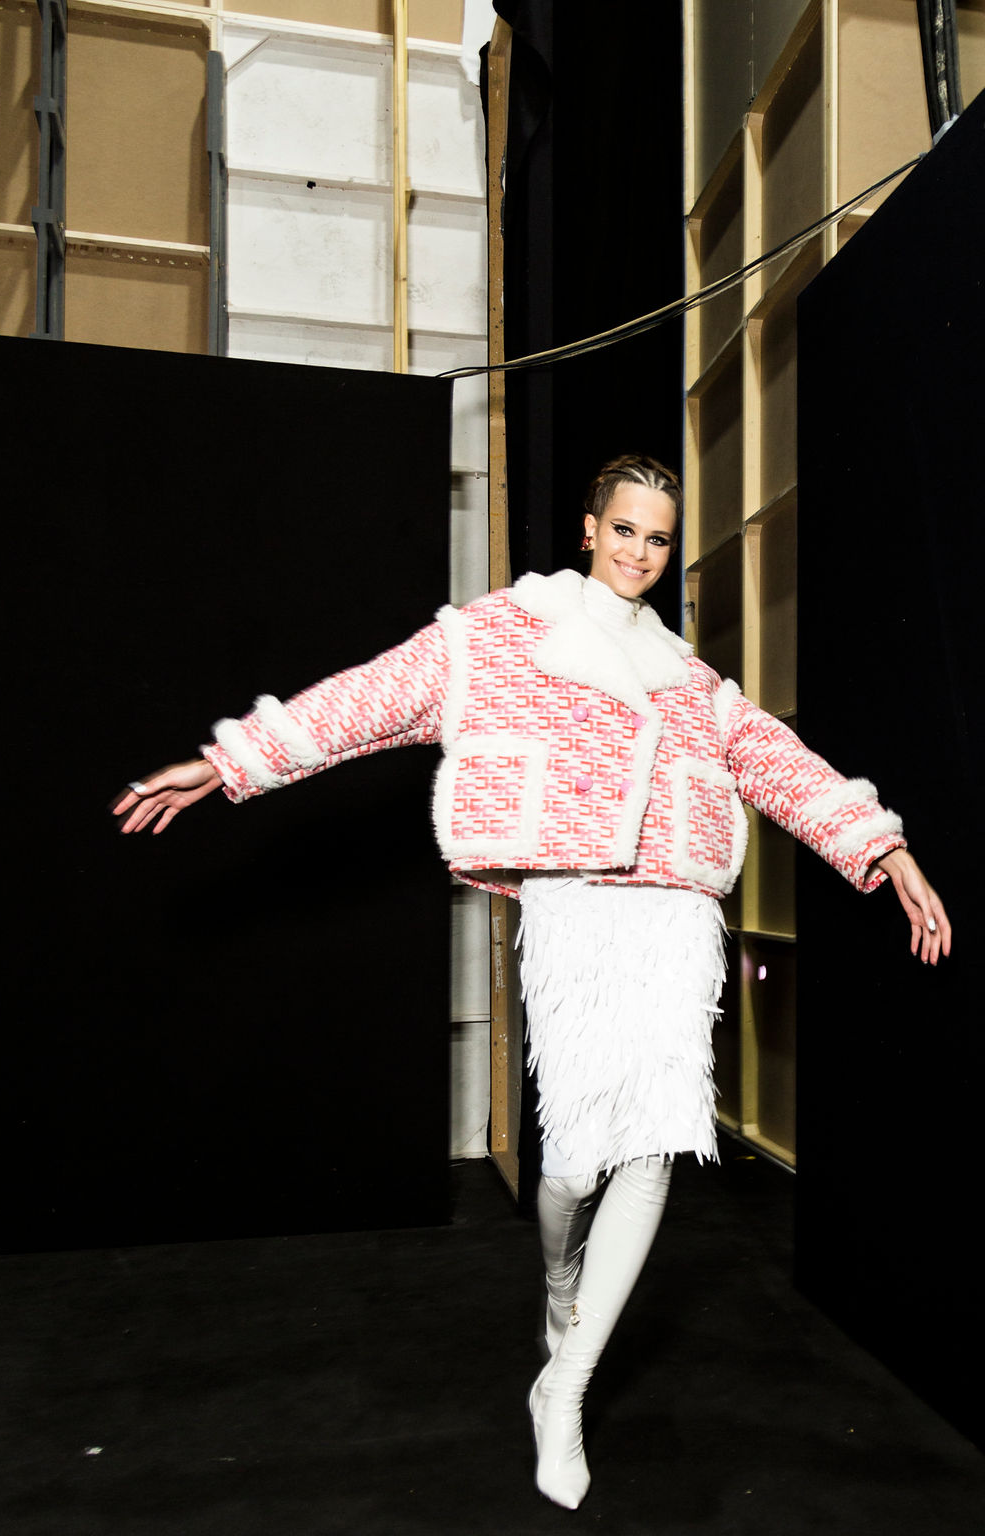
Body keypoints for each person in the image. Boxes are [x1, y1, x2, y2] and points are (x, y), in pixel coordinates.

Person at [112, 453, 950, 1511]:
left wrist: (885, 852)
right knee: (573, 1167)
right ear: (589, 529)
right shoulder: (504, 635)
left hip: (676, 918)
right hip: (576, 910)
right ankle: (560, 1280)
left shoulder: (691, 679)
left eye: (658, 538)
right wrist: (230, 762)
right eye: (624, 529)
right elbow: (371, 698)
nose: (640, 551)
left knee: (655, 1147)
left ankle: (565, 1384)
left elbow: (785, 766)